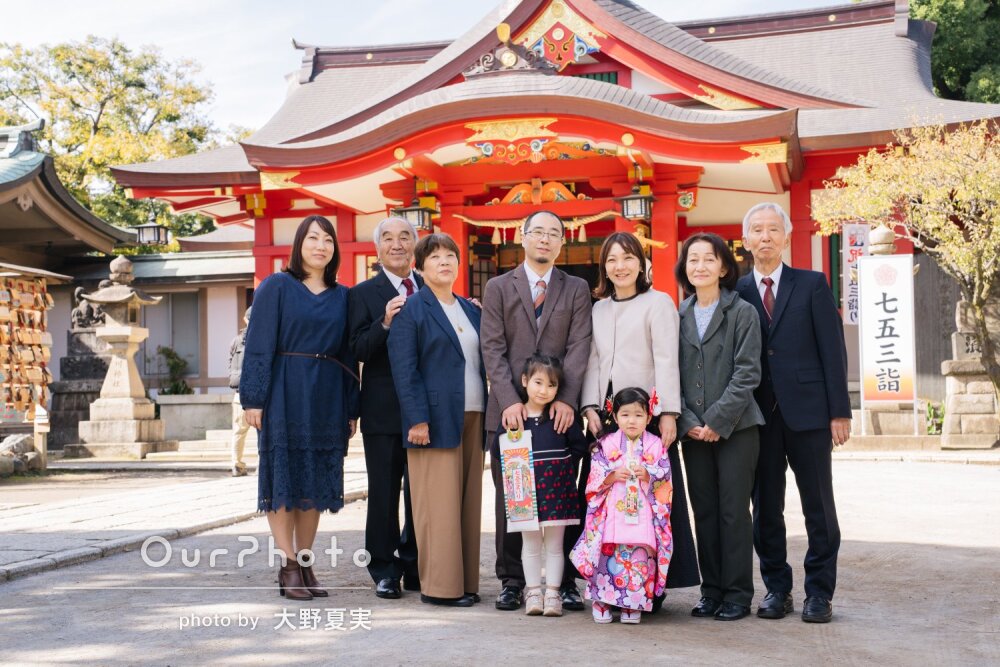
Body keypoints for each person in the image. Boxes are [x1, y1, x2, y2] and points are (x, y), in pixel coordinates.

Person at [735, 203, 851, 624]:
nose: (765, 237)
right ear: (745, 240)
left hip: (810, 414)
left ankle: (820, 593)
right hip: (758, 417)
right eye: (757, 230)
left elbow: (832, 351)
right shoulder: (738, 292)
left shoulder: (812, 284)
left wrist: (840, 411)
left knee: (818, 505)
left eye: (773, 230)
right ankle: (777, 589)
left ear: (785, 237)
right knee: (765, 507)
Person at [240, 215, 360, 602]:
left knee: (315, 482)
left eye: (328, 239)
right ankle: (288, 564)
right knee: (285, 479)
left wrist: (351, 407)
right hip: (283, 391)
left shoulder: (343, 296)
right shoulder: (276, 286)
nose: (321, 246)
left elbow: (349, 355)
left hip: (327, 394)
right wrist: (253, 398)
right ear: (299, 244)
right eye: (313, 238)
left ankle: (306, 562)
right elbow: (257, 344)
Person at [480, 210, 592, 612]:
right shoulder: (498, 287)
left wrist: (568, 398)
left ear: (563, 242)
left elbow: (580, 345)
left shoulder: (577, 287)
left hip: (558, 415)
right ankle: (513, 580)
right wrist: (509, 400)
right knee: (512, 499)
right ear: (521, 237)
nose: (545, 239)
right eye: (538, 232)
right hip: (510, 412)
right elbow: (491, 347)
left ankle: (564, 583)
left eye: (554, 234)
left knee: (565, 498)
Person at [581, 231, 700, 599]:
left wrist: (667, 412)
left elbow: (667, 359)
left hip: (645, 416)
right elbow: (594, 360)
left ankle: (654, 583)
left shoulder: (658, 302)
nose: (620, 266)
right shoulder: (598, 308)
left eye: (628, 258)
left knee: (653, 499)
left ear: (641, 263)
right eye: (612, 259)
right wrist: (588, 405)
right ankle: (607, 580)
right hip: (607, 418)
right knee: (605, 501)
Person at [388, 233, 485, 608]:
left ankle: (466, 582)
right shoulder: (411, 309)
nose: (444, 262)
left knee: (467, 503)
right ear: (420, 266)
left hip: (473, 413)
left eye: (450, 256)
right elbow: (404, 368)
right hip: (432, 418)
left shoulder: (471, 309)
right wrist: (416, 419)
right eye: (435, 257)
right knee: (438, 506)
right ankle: (441, 588)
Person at [675, 233, 764, 621]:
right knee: (705, 511)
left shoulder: (741, 312)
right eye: (692, 260)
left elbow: (748, 374)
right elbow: (667, 371)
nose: (700, 266)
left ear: (724, 267)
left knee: (733, 511)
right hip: (692, 432)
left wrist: (716, 419)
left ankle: (738, 594)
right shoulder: (676, 315)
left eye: (708, 259)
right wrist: (691, 421)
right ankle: (710, 590)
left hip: (737, 429)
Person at [348, 216, 421, 600]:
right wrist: (385, 323)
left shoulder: (429, 287)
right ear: (377, 248)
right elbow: (357, 348)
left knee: (420, 494)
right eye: (388, 238)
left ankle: (414, 563)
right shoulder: (362, 294)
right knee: (384, 493)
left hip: (424, 411)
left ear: (415, 245)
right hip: (381, 410)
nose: (397, 244)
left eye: (405, 237)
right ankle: (383, 567)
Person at [492, 354, 588, 617]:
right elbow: (498, 450)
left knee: (555, 546)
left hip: (557, 492)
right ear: (524, 381)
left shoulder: (561, 418)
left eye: (551, 385)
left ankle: (553, 593)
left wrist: (562, 468)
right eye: (538, 383)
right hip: (525, 496)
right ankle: (534, 591)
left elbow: (579, 447)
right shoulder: (514, 419)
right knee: (531, 545)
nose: (544, 390)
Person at [571, 387, 673, 625]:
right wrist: (611, 475)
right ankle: (601, 600)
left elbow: (665, 480)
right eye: (625, 414)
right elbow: (594, 478)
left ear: (649, 417)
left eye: (638, 415)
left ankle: (632, 603)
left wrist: (649, 474)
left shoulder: (656, 446)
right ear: (614, 417)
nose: (631, 421)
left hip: (642, 514)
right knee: (608, 553)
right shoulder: (605, 444)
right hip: (611, 512)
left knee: (638, 556)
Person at [228, 306, 252, 477]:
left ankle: (237, 464)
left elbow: (230, 363)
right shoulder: (264, 338)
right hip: (260, 391)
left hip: (239, 392)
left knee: (239, 430)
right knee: (264, 431)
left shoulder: (236, 341)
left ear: (245, 319)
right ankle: (265, 465)